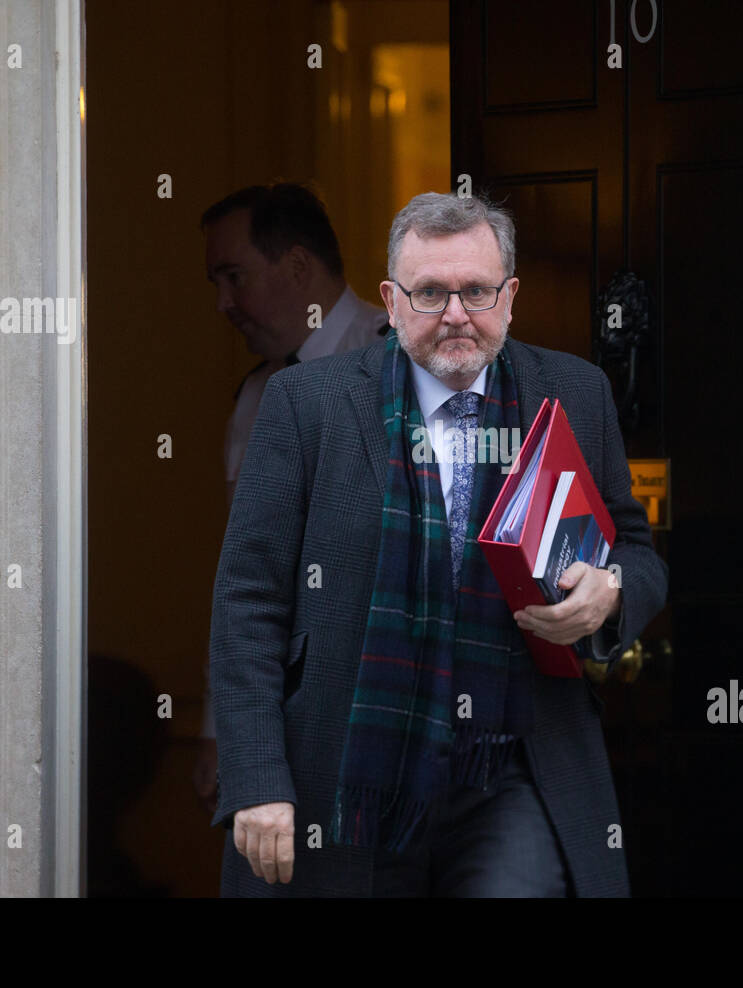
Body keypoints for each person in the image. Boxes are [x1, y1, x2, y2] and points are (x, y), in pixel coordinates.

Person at [209, 191, 668, 896]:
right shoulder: (307, 403)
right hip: (346, 772)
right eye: (430, 293)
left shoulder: (574, 392)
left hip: (510, 769)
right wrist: (258, 778)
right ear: (391, 303)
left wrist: (611, 592)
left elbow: (635, 550)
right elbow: (249, 602)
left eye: (476, 290)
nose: (455, 313)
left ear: (510, 297)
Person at [193, 184, 388, 814]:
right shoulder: (255, 397)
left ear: (298, 266)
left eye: (234, 276)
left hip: (379, 716)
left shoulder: (400, 360)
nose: (223, 303)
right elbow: (243, 583)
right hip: (274, 733)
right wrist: (220, 729)